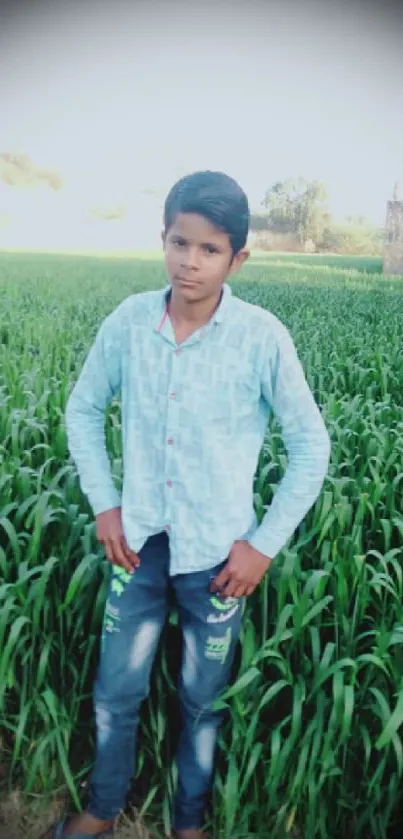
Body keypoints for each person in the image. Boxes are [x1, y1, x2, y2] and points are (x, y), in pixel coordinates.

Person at [51, 170, 331, 839]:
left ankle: (188, 823)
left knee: (202, 701)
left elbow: (309, 445)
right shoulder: (129, 322)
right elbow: (83, 408)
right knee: (116, 693)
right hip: (137, 544)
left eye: (209, 249)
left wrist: (261, 544)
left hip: (219, 560)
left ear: (238, 258)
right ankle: (102, 807)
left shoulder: (259, 337)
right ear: (164, 238)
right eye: (179, 241)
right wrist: (105, 503)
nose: (189, 261)